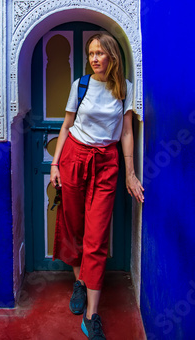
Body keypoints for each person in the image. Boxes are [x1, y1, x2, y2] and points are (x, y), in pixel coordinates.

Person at [50, 32, 144, 340]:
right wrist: (55, 165)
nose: (94, 58)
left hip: (106, 163)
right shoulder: (81, 85)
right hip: (75, 157)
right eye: (91, 53)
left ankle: (92, 315)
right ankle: (78, 281)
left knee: (97, 235)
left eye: (100, 53)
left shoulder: (125, 89)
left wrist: (130, 173)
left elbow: (127, 133)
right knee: (74, 224)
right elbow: (66, 126)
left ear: (112, 57)